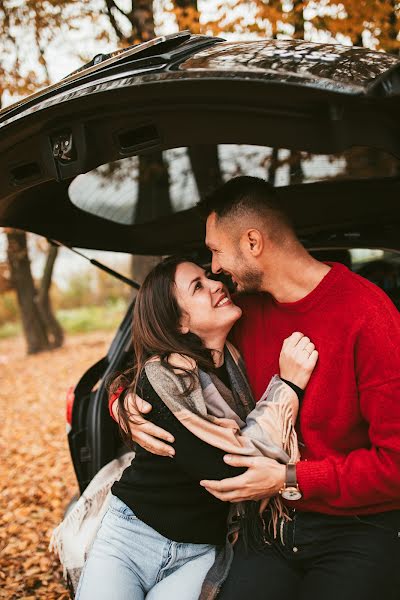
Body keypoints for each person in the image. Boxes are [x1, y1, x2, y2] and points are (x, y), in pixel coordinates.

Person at [113, 176, 400, 600]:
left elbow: (395, 464)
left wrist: (288, 477)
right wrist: (122, 402)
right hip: (265, 527)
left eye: (214, 250)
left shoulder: (369, 316)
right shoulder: (238, 313)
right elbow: (161, 360)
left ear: (252, 242)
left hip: (356, 528)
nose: (212, 270)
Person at [76, 255, 317, 600]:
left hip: (201, 552)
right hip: (131, 539)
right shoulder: (162, 378)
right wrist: (288, 389)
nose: (217, 284)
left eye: (209, 277)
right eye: (198, 286)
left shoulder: (235, 359)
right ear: (179, 324)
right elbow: (224, 473)